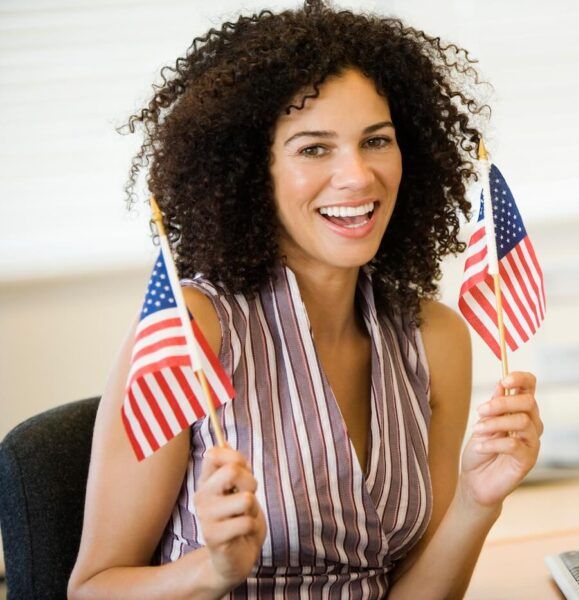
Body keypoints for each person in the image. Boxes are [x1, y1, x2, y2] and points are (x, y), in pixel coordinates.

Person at [68, 2, 543, 599]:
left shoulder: (434, 337)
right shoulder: (196, 330)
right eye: (314, 149)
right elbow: (92, 589)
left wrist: (477, 503)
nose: (359, 176)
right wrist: (210, 571)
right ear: (249, 171)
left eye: (377, 141)